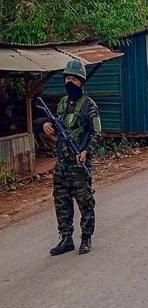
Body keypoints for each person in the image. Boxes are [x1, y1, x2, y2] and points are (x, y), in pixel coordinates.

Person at [42, 60, 101, 256]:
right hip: (62, 163)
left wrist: (86, 151)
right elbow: (53, 125)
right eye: (67, 78)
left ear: (81, 81)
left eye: (74, 78)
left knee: (85, 201)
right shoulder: (62, 104)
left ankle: (86, 237)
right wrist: (46, 126)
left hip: (79, 161)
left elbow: (97, 133)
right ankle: (66, 238)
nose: (70, 82)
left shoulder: (89, 106)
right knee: (61, 200)